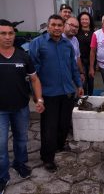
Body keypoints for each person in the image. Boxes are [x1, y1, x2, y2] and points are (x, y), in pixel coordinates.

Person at [29, 14, 83, 173]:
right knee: (49, 127)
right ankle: (47, 157)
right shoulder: (37, 44)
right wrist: (36, 95)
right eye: (54, 25)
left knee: (64, 124)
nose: (57, 28)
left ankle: (59, 145)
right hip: (49, 93)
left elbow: (73, 67)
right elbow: (32, 73)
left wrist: (78, 84)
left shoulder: (67, 45)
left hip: (67, 91)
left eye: (60, 25)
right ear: (48, 26)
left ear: (64, 26)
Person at [0, 19, 44, 193]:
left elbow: (34, 79)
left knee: (21, 139)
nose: (7, 37)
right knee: (1, 145)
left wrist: (39, 100)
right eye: (3, 33)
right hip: (0, 111)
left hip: (20, 108)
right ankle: (3, 177)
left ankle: (20, 164)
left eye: (10, 33)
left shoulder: (23, 56)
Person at [76, 12, 95, 96]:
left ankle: (90, 98)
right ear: (79, 21)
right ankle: (83, 100)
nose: (84, 21)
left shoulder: (94, 33)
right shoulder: (76, 33)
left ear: (90, 21)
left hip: (91, 62)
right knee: (83, 82)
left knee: (91, 81)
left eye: (86, 19)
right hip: (80, 61)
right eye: (82, 19)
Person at [63, 17, 85, 82]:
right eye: (71, 25)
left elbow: (77, 57)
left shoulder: (75, 40)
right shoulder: (58, 39)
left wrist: (81, 73)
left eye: (76, 27)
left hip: (74, 73)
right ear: (64, 25)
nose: (74, 28)